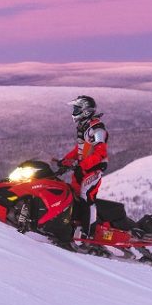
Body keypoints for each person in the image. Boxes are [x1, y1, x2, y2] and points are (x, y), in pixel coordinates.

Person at [59, 95, 109, 240]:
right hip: (82, 169)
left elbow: (100, 153)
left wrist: (82, 166)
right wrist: (65, 160)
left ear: (85, 111)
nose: (73, 112)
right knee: (73, 195)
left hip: (93, 170)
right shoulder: (84, 127)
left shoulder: (97, 129)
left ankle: (89, 234)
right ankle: (74, 225)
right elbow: (80, 149)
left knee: (86, 196)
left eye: (76, 109)